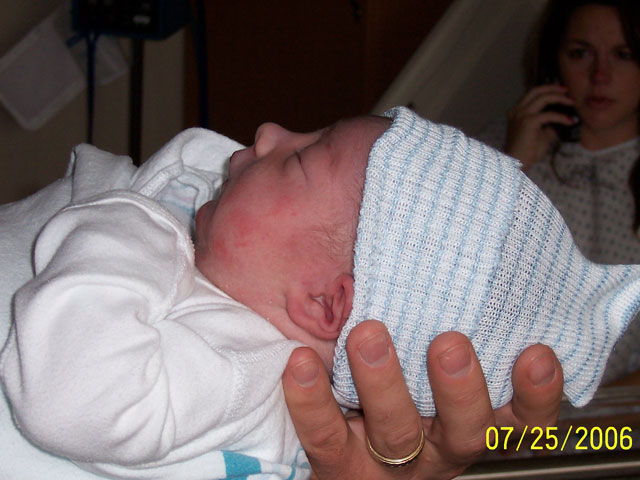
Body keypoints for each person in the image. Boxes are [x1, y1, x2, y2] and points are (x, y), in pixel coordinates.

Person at [0, 108, 576, 479]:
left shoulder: (241, 369)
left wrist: (131, 224)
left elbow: (73, 395)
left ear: (323, 303)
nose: (268, 132)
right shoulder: (221, 273)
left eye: (299, 158)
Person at [484, 0, 640, 382]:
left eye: (623, 55)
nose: (600, 75)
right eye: (580, 54)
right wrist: (514, 165)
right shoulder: (507, 149)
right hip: (505, 392)